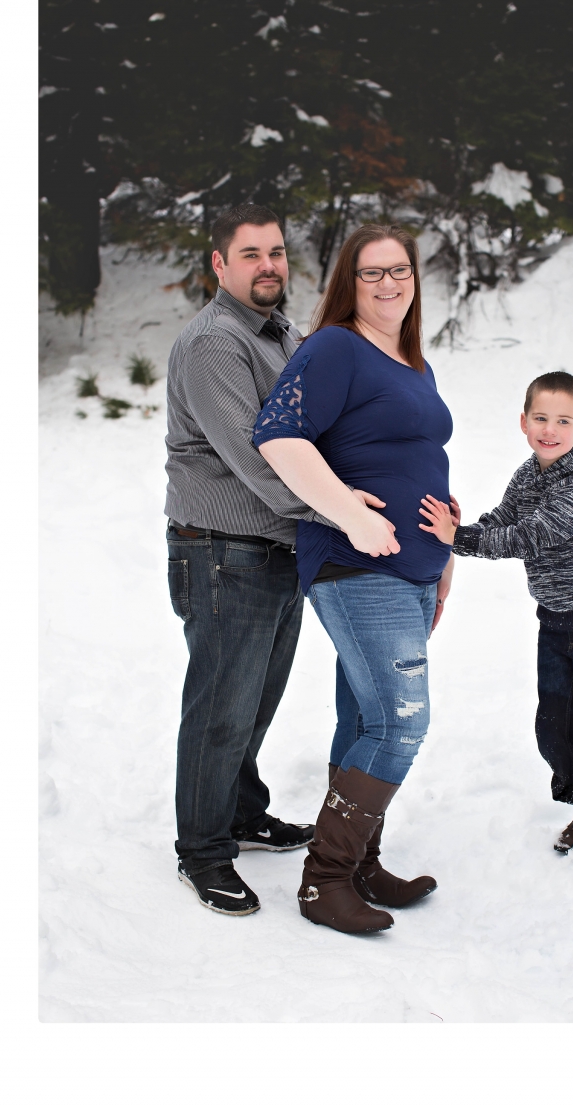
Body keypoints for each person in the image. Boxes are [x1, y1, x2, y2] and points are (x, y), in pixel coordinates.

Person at [254, 223, 455, 934]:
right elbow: (278, 436)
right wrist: (349, 515)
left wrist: (445, 558)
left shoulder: (414, 363)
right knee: (401, 723)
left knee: (366, 719)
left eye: (399, 270)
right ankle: (325, 881)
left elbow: (419, 461)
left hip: (414, 570)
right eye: (372, 272)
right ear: (351, 283)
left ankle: (361, 864)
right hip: (358, 565)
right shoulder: (336, 347)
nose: (388, 283)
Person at [165, 203, 330, 916]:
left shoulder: (281, 332)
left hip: (278, 547)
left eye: (276, 252)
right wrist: (343, 514)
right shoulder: (214, 343)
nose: (269, 265)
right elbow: (259, 460)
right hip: (223, 552)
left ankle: (239, 811)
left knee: (255, 701)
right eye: (251, 254)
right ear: (220, 264)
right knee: (220, 710)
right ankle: (203, 851)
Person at [420, 371, 573, 865]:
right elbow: (505, 520)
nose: (550, 429)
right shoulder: (528, 474)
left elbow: (528, 537)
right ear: (523, 422)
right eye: (541, 418)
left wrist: (456, 539)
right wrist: (459, 527)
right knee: (554, 726)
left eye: (563, 421)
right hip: (555, 620)